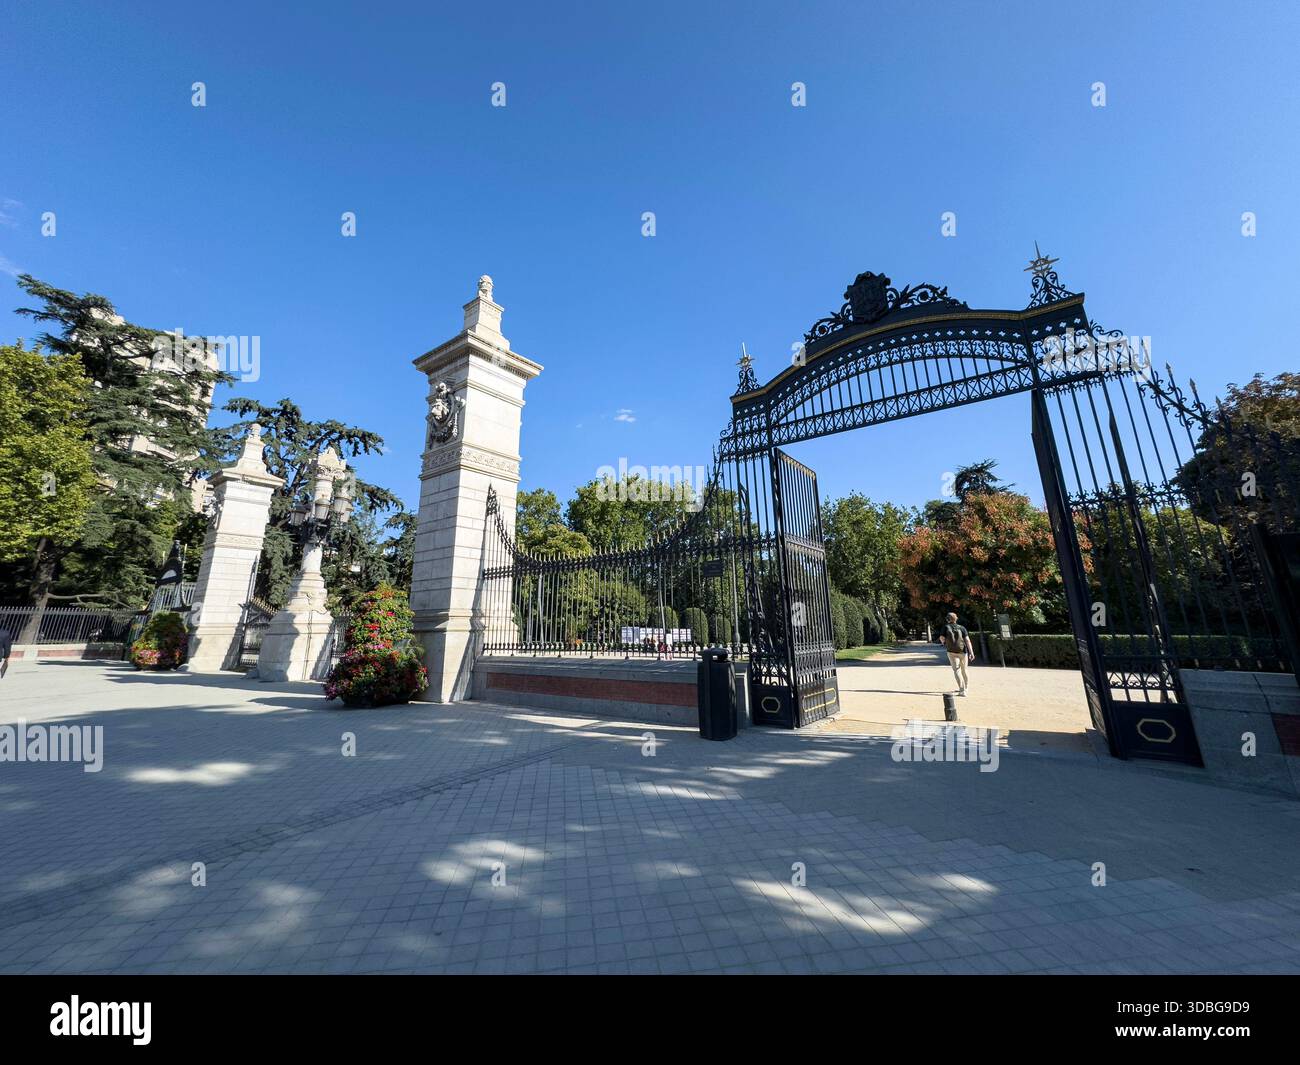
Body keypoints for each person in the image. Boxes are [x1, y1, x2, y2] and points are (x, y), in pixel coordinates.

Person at [941, 612, 974, 695]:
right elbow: (967, 640)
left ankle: (961, 689)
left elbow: (942, 638)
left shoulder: (946, 627)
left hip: (951, 651)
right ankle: (966, 688)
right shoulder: (962, 628)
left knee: (956, 670)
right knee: (964, 670)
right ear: (956, 619)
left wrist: (944, 642)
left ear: (947, 619)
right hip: (962, 651)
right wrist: (971, 652)